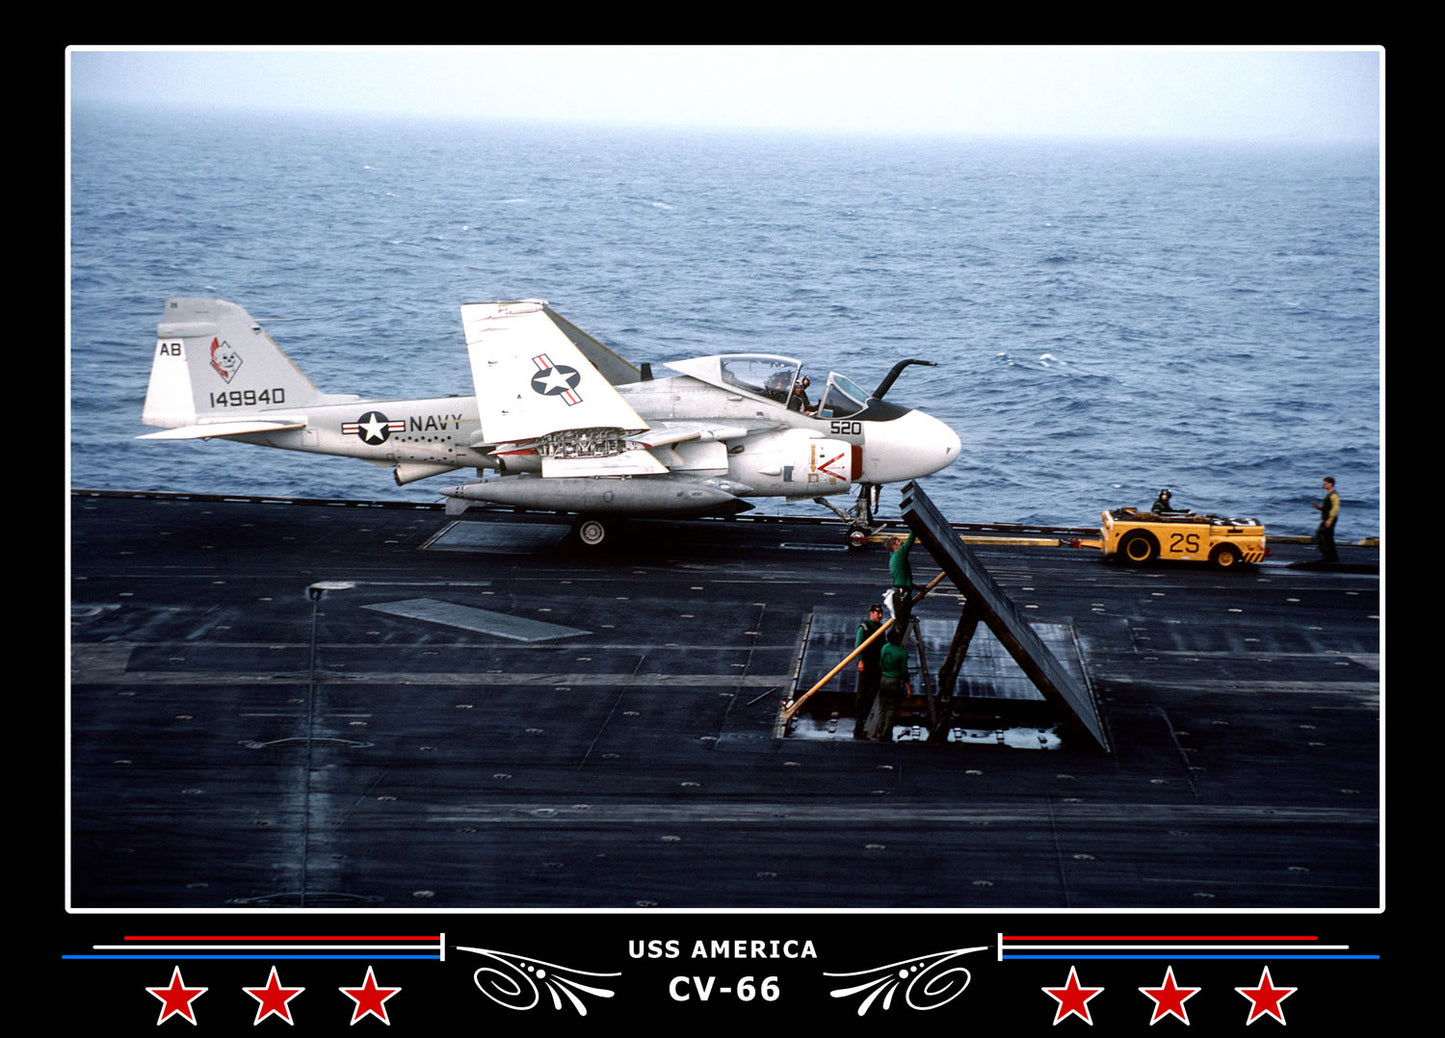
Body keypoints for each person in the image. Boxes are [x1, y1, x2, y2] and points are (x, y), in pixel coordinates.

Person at [874, 628, 912, 742]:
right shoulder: (901, 652)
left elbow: (880, 664)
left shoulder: (884, 648)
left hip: (883, 678)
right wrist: (908, 687)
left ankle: (880, 731)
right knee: (891, 709)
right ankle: (886, 734)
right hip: (894, 681)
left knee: (882, 708)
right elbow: (904, 672)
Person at [853, 604, 884, 739]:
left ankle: (869, 713)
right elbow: (858, 645)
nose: (880, 616)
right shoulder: (864, 628)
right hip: (866, 664)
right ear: (871, 613)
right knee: (862, 691)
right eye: (877, 613)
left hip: (876, 664)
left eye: (881, 613)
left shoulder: (881, 628)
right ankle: (860, 717)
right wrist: (860, 660)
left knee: (874, 690)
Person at [886, 532, 916, 631]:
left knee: (900, 621)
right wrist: (914, 526)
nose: (901, 542)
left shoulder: (894, 557)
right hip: (902, 594)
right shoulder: (899, 554)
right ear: (895, 546)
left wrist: (915, 586)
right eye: (899, 541)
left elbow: (901, 578)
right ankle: (894, 644)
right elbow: (911, 540)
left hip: (900, 592)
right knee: (901, 624)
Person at [1311, 476, 1340, 562]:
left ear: (1330, 484)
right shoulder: (1329, 494)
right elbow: (1328, 507)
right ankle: (1332, 557)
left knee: (1322, 536)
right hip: (1327, 519)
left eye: (1325, 483)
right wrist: (1319, 508)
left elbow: (1335, 507)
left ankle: (1328, 556)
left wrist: (1330, 519)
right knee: (1327, 537)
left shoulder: (1334, 495)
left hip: (1329, 519)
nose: (1324, 485)